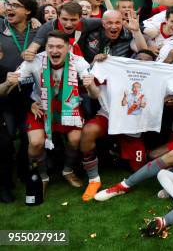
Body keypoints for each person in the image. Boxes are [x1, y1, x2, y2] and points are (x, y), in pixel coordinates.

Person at [0, 31, 100, 195]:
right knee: (35, 143)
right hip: (41, 106)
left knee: (75, 139)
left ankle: (67, 171)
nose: (54, 51)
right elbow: (5, 91)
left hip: (69, 105)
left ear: (68, 48)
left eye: (59, 46)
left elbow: (95, 95)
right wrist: (7, 83)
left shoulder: (78, 61)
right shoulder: (35, 61)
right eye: (50, 46)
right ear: (45, 48)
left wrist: (90, 86)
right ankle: (43, 176)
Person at [79, 50, 157, 202]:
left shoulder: (153, 77)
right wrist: (96, 63)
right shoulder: (114, 69)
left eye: (146, 61)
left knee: (138, 170)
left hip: (133, 126)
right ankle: (94, 179)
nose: (141, 62)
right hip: (109, 115)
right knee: (88, 131)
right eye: (138, 59)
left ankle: (117, 153)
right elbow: (94, 89)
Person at [0, 0, 39, 202]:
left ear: (28, 11)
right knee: (5, 141)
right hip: (6, 95)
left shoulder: (38, 31)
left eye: (15, 5)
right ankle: (5, 183)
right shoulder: (1, 29)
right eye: (8, 4)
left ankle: (24, 174)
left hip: (30, 95)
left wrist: (39, 20)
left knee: (27, 136)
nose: (9, 8)